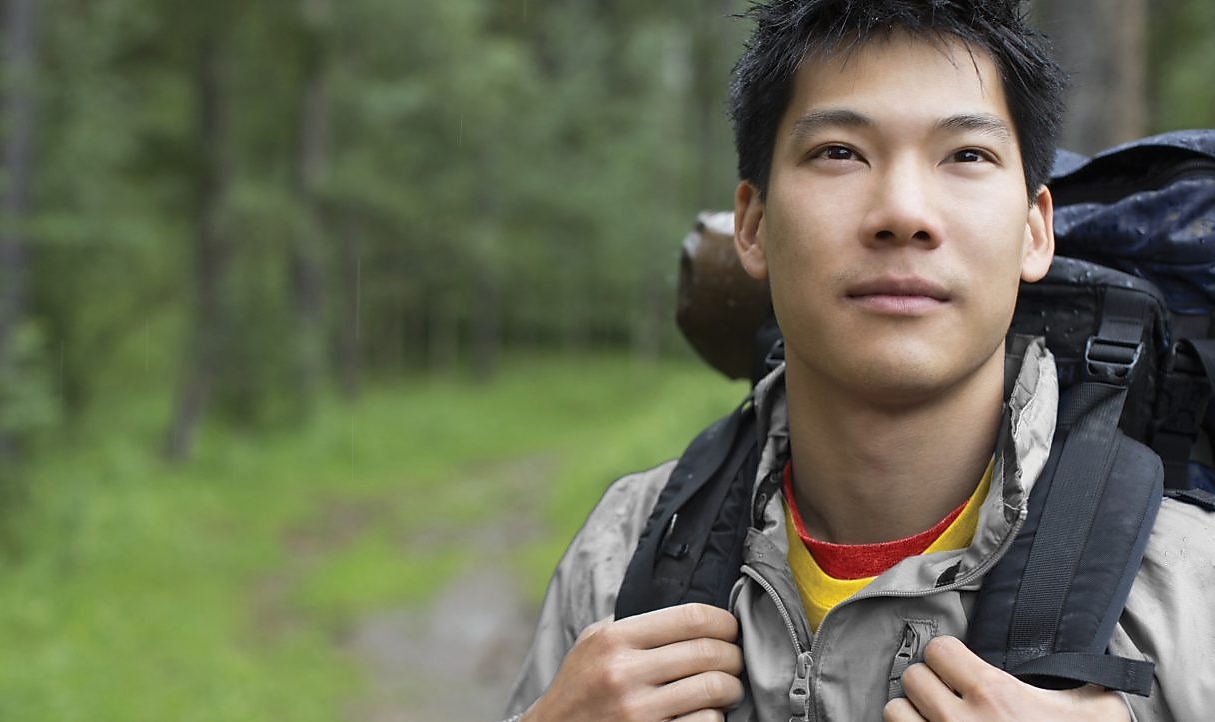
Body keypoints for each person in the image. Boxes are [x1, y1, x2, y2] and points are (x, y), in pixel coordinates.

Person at [500, 1, 1215, 720]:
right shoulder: (628, 551)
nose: (903, 212)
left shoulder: (1187, 587)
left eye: (966, 155)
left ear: (1035, 231)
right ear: (752, 225)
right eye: (839, 151)